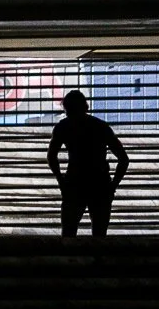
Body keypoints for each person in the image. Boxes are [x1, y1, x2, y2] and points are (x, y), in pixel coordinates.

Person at [46, 88, 128, 240]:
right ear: (86, 107)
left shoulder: (64, 127)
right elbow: (123, 159)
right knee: (99, 237)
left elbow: (51, 156)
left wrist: (61, 182)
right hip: (99, 186)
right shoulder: (100, 127)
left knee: (68, 237)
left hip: (74, 185)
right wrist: (112, 186)